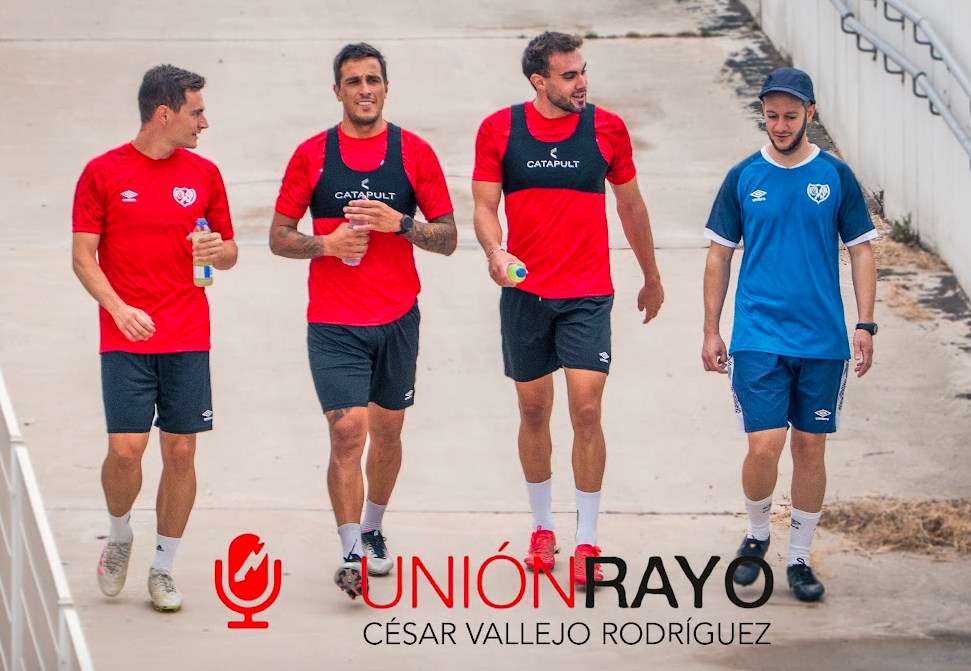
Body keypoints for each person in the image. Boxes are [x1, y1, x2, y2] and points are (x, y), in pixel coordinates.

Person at [472, 32, 664, 587]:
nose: (582, 83)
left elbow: (631, 205)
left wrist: (651, 277)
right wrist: (495, 251)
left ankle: (587, 540)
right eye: (569, 75)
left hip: (587, 292)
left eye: (583, 71)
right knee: (534, 411)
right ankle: (541, 527)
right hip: (526, 295)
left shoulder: (608, 128)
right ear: (539, 81)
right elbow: (484, 206)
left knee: (586, 410)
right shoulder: (499, 129)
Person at [269, 43, 456, 600]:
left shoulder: (414, 153)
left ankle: (373, 526)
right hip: (334, 322)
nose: (365, 90)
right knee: (348, 431)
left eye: (373, 80)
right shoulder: (312, 155)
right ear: (338, 91)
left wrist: (402, 224)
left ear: (386, 88)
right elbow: (278, 237)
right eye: (353, 81)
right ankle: (350, 550)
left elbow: (449, 238)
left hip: (397, 317)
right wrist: (325, 244)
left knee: (389, 432)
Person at [701, 68, 877, 602]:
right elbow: (719, 255)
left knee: (809, 447)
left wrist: (865, 323)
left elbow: (862, 250)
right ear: (763, 112)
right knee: (765, 446)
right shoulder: (743, 176)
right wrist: (711, 330)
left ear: (810, 114)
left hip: (822, 340)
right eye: (772, 115)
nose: (780, 125)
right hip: (758, 334)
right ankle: (757, 534)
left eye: (791, 116)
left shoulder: (836, 176)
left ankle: (799, 557)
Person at [72, 64, 238, 612]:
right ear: (164, 114)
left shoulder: (205, 175)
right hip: (126, 334)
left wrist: (218, 253)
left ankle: (163, 567)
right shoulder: (102, 173)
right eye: (197, 112)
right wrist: (118, 309)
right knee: (126, 452)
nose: (204, 123)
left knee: (181, 451)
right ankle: (120, 534)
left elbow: (229, 252)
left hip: (187, 333)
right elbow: (83, 257)